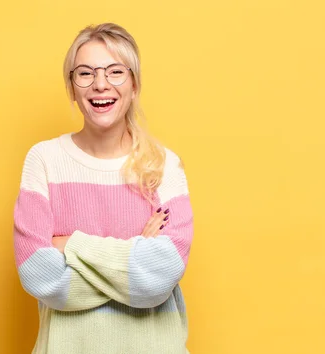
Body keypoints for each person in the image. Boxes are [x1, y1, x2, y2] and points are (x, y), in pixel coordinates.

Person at [13, 22, 194, 354]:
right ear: (71, 86)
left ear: (134, 84)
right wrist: (136, 254)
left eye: (115, 72)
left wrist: (71, 245)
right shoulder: (44, 160)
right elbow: (38, 275)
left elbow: (159, 278)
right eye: (85, 73)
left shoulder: (164, 165)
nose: (100, 85)